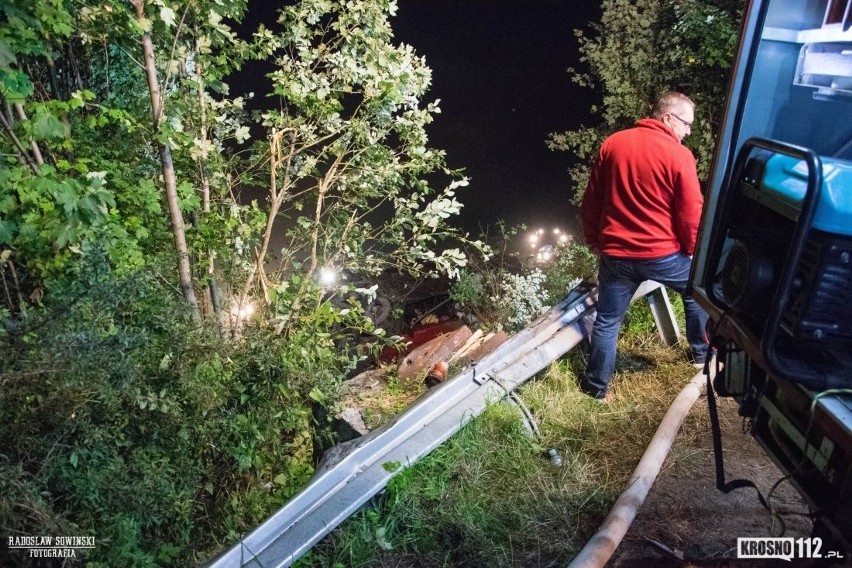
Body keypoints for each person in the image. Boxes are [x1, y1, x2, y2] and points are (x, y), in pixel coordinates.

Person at [578, 91, 710, 401]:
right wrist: (691, 250)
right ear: (668, 118)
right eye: (686, 124)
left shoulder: (612, 144)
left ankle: (596, 387)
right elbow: (692, 211)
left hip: (616, 255)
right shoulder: (679, 156)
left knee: (608, 320)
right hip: (663, 255)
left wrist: (596, 241)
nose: (688, 132)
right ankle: (702, 356)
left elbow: (591, 201)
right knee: (697, 295)